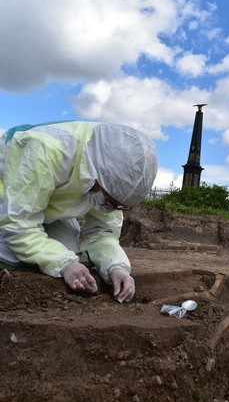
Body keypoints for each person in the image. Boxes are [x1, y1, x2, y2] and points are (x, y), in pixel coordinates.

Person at [0, 121, 157, 302]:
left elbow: (102, 232)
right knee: (12, 254)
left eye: (118, 205)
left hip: (43, 207)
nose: (111, 208)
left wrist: (116, 267)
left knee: (67, 248)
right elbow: (18, 223)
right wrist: (64, 264)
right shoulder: (43, 149)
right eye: (110, 201)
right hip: (9, 202)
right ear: (97, 176)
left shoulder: (109, 178)